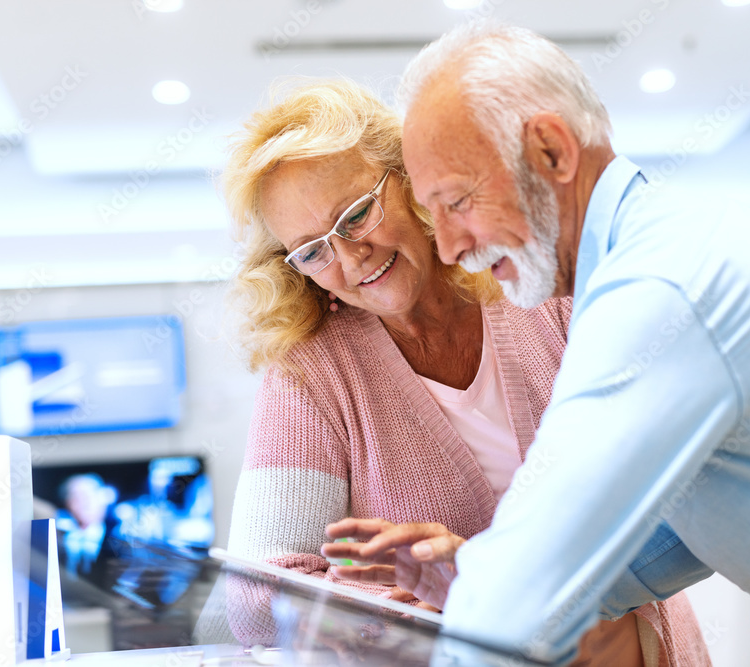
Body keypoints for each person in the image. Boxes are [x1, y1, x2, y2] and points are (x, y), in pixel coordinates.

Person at [328, 21, 750, 667]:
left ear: (551, 151)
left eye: (458, 202)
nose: (448, 246)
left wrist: (504, 595)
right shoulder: (663, 255)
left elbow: (535, 567)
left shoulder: (662, 287)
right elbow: (677, 528)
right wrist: (474, 576)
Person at [220, 78, 711, 665]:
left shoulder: (534, 286)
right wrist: (415, 607)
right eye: (312, 250)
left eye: (355, 216)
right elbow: (256, 600)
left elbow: (670, 483)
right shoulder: (312, 374)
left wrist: (477, 574)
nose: (351, 258)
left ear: (408, 181)